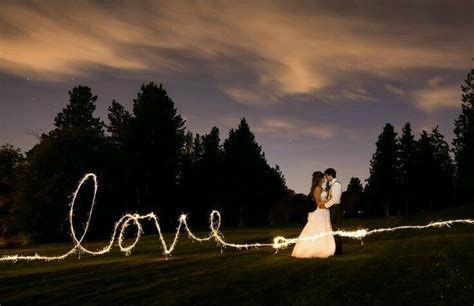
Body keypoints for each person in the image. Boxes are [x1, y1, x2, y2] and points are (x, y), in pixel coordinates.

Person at [291, 171, 335, 258]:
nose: (324, 178)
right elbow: (319, 203)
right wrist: (331, 200)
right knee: (318, 229)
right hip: (320, 212)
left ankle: (325, 248)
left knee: (325, 229)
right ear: (319, 178)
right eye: (323, 177)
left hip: (325, 212)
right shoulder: (317, 189)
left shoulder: (322, 188)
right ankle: (314, 249)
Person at [319, 168, 343, 255]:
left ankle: (338, 251)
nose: (325, 178)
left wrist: (325, 206)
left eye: (326, 176)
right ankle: (335, 250)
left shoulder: (336, 185)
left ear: (330, 175)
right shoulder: (331, 185)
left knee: (336, 230)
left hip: (336, 209)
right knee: (333, 230)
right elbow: (330, 198)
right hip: (333, 209)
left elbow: (334, 199)